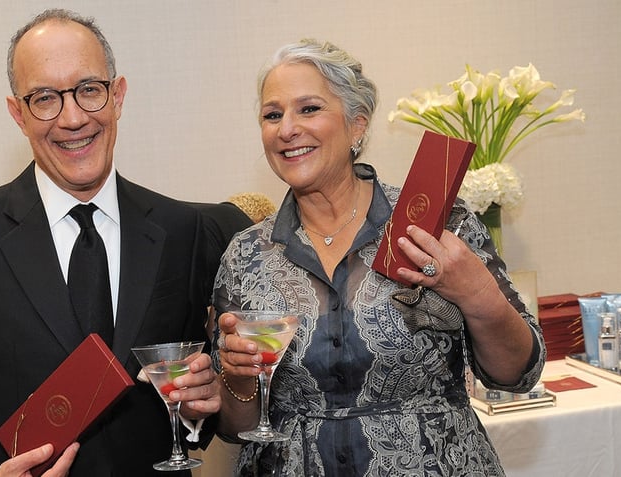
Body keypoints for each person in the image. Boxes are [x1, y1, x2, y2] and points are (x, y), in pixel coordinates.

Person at [0, 9, 221, 477]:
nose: (72, 118)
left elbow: (195, 392)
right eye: (45, 98)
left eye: (88, 90)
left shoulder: (182, 230)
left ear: (118, 95)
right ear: (18, 114)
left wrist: (197, 409)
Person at [212, 38, 545, 476]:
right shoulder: (247, 255)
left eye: (308, 109)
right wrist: (237, 380)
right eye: (272, 115)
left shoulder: (437, 224)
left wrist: (479, 293)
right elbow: (236, 429)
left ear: (357, 126)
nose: (286, 128)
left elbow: (518, 374)